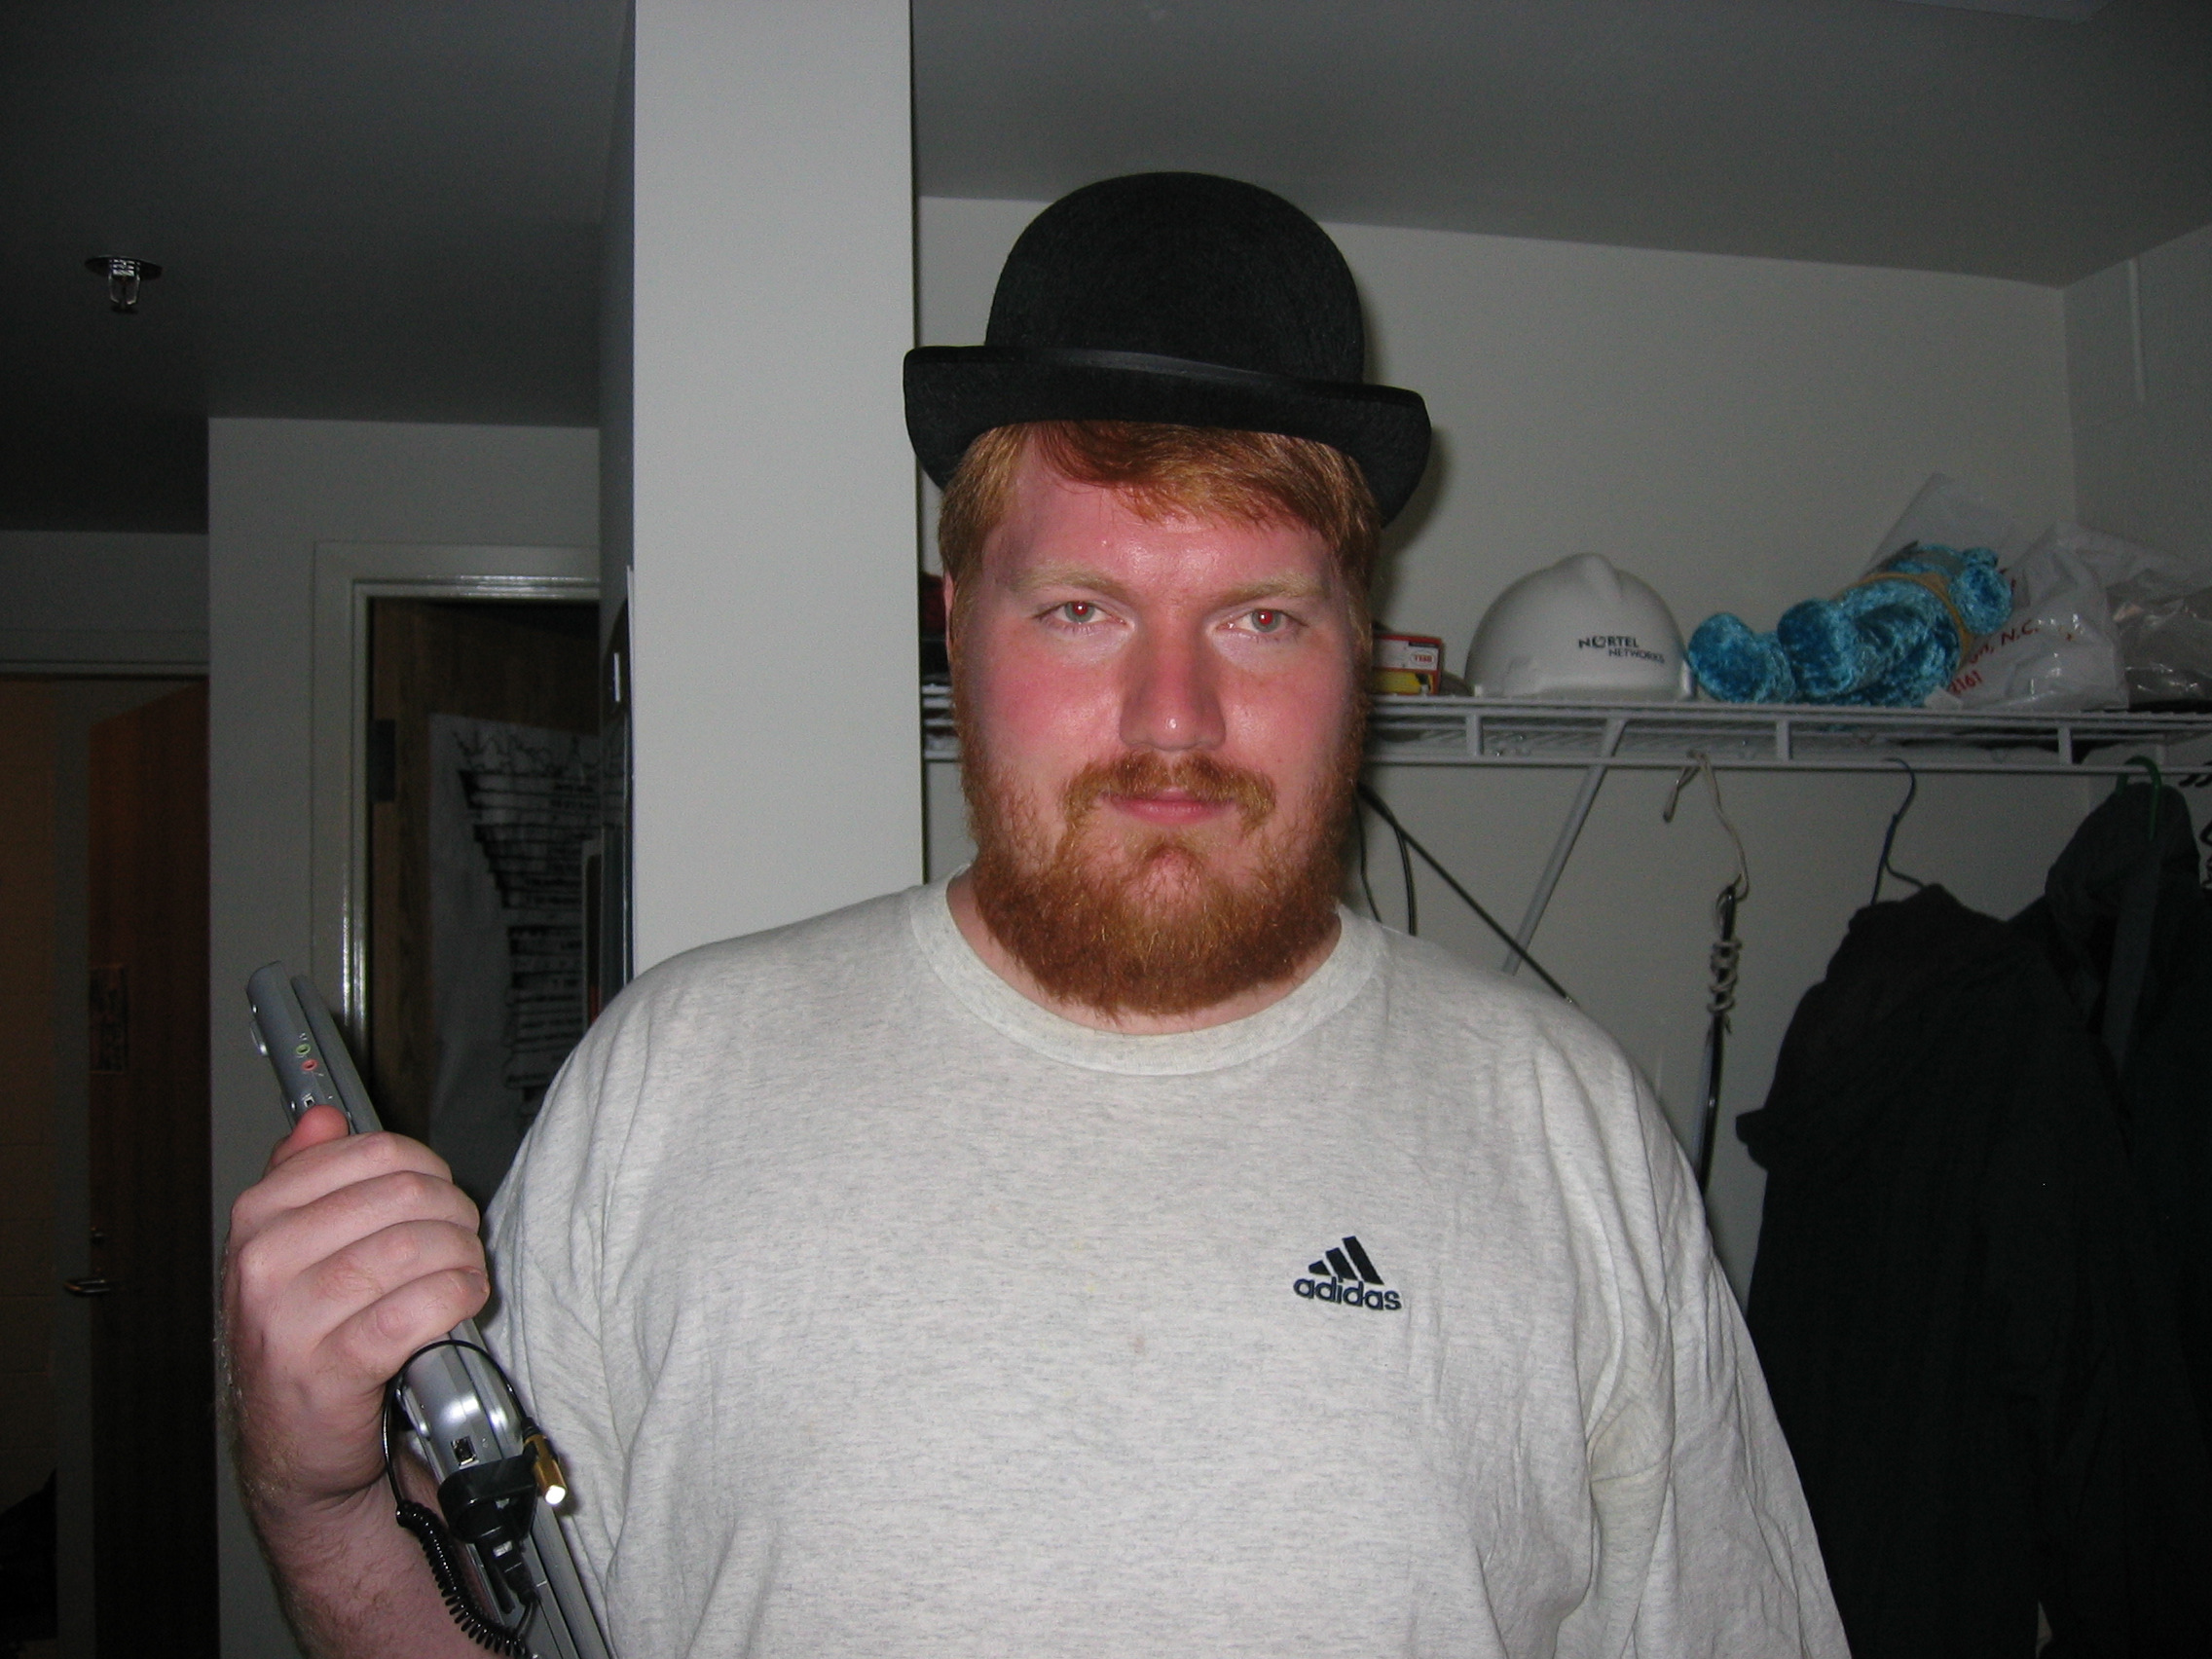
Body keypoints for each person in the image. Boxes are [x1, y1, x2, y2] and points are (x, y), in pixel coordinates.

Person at [224, 173, 1846, 1657]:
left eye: (1261, 618)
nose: (1173, 719)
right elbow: (493, 1627)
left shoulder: (1566, 1128)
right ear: (957, 632)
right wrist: (323, 1501)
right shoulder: (672, 1080)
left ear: (1359, 647)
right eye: (1082, 609)